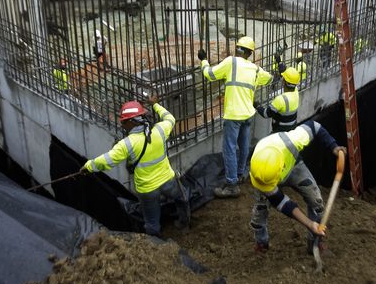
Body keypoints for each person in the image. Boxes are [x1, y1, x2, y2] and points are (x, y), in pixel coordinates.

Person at [81, 95, 189, 237]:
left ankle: (157, 245)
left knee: (151, 222)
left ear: (132, 122)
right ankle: (184, 224)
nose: (122, 125)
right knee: (181, 199)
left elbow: (107, 160)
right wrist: (155, 105)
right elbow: (170, 119)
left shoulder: (127, 144)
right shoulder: (160, 131)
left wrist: (88, 166)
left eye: (124, 122)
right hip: (167, 180)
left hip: (147, 189)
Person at [248, 120, 346, 253]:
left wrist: (333, 146)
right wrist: (309, 224)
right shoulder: (259, 171)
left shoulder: (292, 141)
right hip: (270, 174)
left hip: (294, 167)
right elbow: (282, 202)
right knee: (260, 211)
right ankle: (261, 243)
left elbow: (314, 126)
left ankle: (314, 244)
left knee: (316, 201)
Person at [199, 36, 272, 198]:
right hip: (248, 114)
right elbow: (269, 78)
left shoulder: (230, 62)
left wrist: (203, 60)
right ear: (250, 53)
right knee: (244, 145)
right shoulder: (255, 69)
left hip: (233, 115)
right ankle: (240, 174)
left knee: (230, 149)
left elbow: (209, 75)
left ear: (237, 48)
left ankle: (232, 185)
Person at [256, 65, 300, 133]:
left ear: (284, 82)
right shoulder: (296, 92)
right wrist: (283, 71)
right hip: (292, 129)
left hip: (279, 132)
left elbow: (265, 114)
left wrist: (257, 105)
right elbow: (291, 81)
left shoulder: (280, 100)